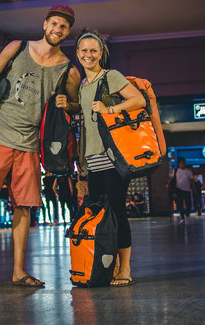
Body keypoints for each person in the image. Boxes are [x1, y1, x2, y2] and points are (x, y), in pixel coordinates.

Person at [0, 4, 81, 291]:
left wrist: (68, 104)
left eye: (63, 27)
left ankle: (18, 271)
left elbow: (75, 105)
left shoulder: (68, 70)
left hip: (30, 146)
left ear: (67, 32)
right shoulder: (17, 47)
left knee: (24, 207)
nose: (57, 30)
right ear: (44, 24)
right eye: (54, 24)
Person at [72, 30, 145, 286]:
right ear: (77, 54)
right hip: (93, 159)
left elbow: (139, 99)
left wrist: (111, 108)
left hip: (114, 157)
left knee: (115, 212)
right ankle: (111, 265)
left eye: (93, 50)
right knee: (100, 213)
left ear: (101, 53)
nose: (88, 55)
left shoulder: (110, 76)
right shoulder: (83, 85)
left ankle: (125, 269)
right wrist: (68, 105)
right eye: (84, 50)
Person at [174, 157, 194, 225]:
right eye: (182, 162)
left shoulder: (188, 171)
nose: (183, 164)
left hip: (187, 190)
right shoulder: (176, 171)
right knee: (180, 205)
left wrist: (194, 189)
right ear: (179, 164)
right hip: (178, 190)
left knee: (188, 204)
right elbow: (171, 179)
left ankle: (187, 214)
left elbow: (192, 180)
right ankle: (182, 217)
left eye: (184, 162)